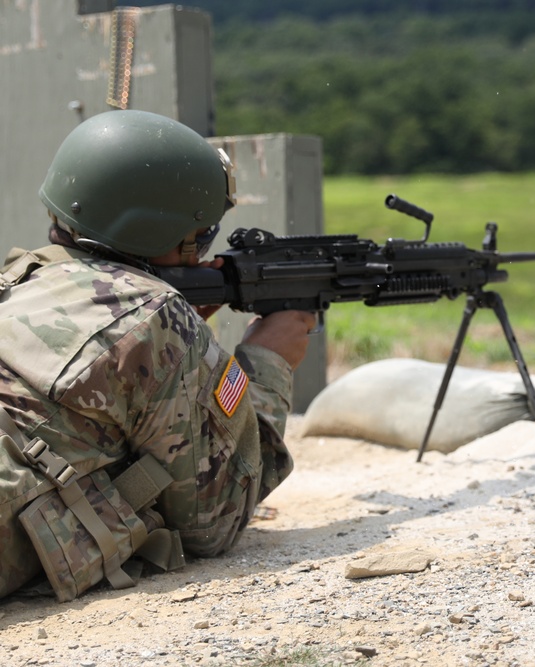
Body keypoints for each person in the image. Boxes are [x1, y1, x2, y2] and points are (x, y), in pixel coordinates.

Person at [0, 109, 315, 602]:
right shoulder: (153, 317)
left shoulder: (18, 280)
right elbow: (216, 521)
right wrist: (268, 363)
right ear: (159, 232)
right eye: (201, 235)